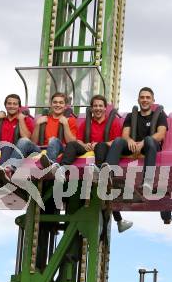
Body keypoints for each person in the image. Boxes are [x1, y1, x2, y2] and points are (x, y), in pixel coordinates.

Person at [55, 94, 133, 233]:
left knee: (101, 147)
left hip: (103, 152)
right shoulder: (86, 123)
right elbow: (78, 139)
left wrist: (98, 144)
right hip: (87, 149)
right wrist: (85, 145)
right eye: (95, 106)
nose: (98, 108)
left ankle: (98, 172)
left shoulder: (113, 123)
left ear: (104, 108)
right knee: (72, 145)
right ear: (91, 108)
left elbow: (116, 142)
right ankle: (62, 169)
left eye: (100, 106)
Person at [0, 92, 78, 183]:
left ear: (65, 106)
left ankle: (50, 164)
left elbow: (72, 142)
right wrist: (38, 124)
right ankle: (10, 169)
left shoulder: (70, 120)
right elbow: (33, 142)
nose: (57, 105)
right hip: (42, 151)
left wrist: (65, 124)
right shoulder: (43, 119)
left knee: (53, 140)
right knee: (24, 140)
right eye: (55, 102)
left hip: (60, 149)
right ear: (51, 104)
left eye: (61, 103)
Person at [102, 87, 168, 190]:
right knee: (118, 140)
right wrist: (129, 140)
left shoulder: (160, 115)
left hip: (150, 146)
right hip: (132, 146)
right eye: (142, 97)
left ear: (153, 100)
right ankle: (108, 175)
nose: (144, 100)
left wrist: (143, 142)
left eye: (148, 98)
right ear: (138, 100)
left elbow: (160, 134)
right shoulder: (130, 116)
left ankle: (148, 181)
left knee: (149, 140)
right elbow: (125, 134)